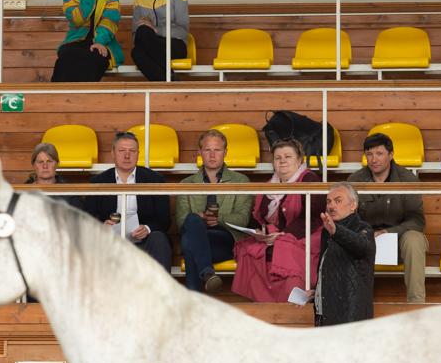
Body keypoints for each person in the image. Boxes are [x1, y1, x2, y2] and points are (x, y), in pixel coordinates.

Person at [231, 139, 326, 303]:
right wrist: (259, 230)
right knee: (249, 249)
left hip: (308, 232)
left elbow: (313, 217)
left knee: (285, 248)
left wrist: (283, 234)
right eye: (278, 157)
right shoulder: (271, 183)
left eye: (287, 156)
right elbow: (259, 216)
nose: (282, 161)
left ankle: (291, 304)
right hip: (276, 235)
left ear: (299, 160)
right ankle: (262, 304)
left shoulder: (310, 179)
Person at [347, 133, 428, 303]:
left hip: (398, 242)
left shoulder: (408, 180)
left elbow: (417, 221)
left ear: (391, 155)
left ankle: (416, 305)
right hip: (366, 242)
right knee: (341, 237)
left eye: (379, 153)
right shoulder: (355, 180)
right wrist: (365, 234)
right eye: (369, 154)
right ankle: (350, 306)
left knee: (414, 239)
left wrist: (387, 232)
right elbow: (348, 218)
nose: (374, 159)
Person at [175, 129, 253, 294]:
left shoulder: (241, 180)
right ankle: (208, 273)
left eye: (217, 150)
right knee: (191, 222)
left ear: (225, 152)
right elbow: (181, 223)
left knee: (188, 243)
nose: (212, 155)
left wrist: (218, 219)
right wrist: (201, 218)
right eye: (207, 150)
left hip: (227, 241)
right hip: (200, 238)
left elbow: (243, 219)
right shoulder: (186, 184)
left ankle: (193, 297)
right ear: (199, 152)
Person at [84, 131, 172, 271]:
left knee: (158, 238)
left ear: (138, 154)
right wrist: (101, 226)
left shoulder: (155, 179)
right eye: (122, 151)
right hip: (110, 241)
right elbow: (87, 219)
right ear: (113, 153)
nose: (127, 156)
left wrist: (147, 228)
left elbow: (164, 219)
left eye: (132, 151)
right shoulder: (97, 182)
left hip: (145, 239)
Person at [51, 0, 124, 82]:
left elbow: (110, 20)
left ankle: (84, 93)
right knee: (67, 56)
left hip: (104, 41)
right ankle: (63, 93)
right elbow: (76, 19)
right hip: (75, 40)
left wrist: (99, 42)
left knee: (95, 55)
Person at [314, 182, 376, 326]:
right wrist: (318, 290)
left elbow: (363, 247)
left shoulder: (363, 228)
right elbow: (331, 271)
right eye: (328, 201)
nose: (331, 206)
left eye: (338, 201)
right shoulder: (327, 231)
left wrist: (336, 232)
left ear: (353, 205)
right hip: (325, 314)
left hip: (351, 318)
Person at [131, 0, 189, 82]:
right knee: (138, 47)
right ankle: (171, 81)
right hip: (150, 43)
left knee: (137, 53)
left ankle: (168, 83)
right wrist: (148, 30)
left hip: (175, 44)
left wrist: (155, 29)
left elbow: (183, 31)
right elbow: (136, 36)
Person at [25, 142, 84, 210]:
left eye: (49, 161)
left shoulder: (71, 193)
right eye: (40, 162)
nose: (45, 166)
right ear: (34, 165)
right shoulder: (23, 192)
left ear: (57, 164)